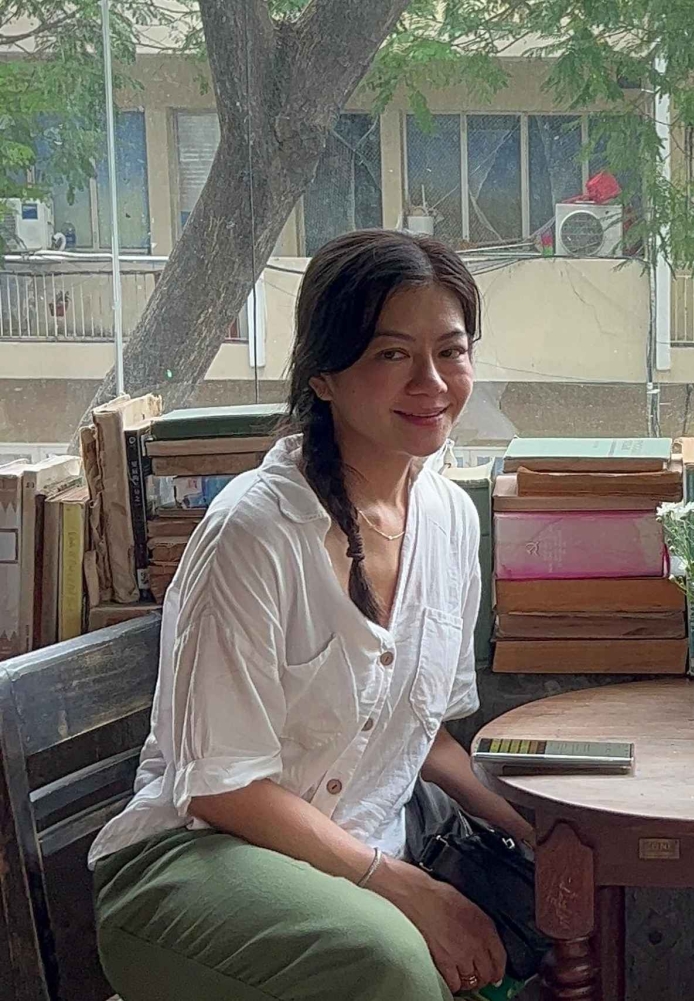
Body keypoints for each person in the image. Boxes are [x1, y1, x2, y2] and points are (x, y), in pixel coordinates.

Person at [89, 229, 535, 1001]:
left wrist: (538, 830)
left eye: (451, 351)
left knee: (559, 900)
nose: (431, 381)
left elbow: (423, 733)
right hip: (192, 858)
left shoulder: (451, 520)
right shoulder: (253, 533)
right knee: (393, 964)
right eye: (392, 353)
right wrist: (403, 886)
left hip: (356, 847)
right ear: (323, 375)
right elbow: (220, 788)